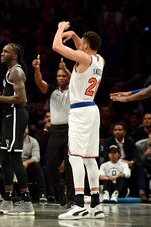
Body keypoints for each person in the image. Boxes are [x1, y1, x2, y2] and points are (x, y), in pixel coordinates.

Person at [52, 21, 105, 219]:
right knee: (90, 158)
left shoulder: (83, 58)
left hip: (80, 111)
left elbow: (57, 46)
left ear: (85, 45)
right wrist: (75, 35)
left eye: (81, 42)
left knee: (75, 157)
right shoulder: (100, 59)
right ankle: (95, 205)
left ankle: (79, 204)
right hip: (92, 109)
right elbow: (82, 49)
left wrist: (60, 28)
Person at [0, 43, 35, 215]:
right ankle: (8, 200)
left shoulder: (16, 71)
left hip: (16, 114)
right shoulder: (10, 71)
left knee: (15, 158)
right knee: (5, 159)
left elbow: (22, 98)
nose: (2, 53)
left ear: (14, 56)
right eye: (2, 50)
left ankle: (27, 202)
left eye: (6, 51)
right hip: (9, 115)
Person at [32, 55, 74, 206]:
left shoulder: (74, 90)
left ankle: (71, 195)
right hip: (55, 131)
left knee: (70, 165)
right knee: (50, 166)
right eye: (59, 76)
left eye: (63, 75)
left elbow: (75, 79)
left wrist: (66, 70)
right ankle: (60, 188)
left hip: (70, 130)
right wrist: (37, 69)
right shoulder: (52, 91)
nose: (61, 78)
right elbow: (39, 82)